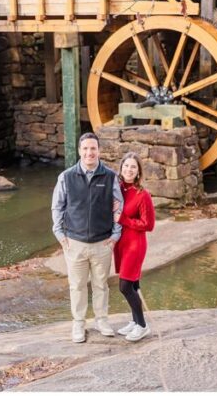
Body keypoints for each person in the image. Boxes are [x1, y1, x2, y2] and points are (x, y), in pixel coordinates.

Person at [51, 132, 123, 343]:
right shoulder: (66, 177)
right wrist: (59, 233)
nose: (89, 152)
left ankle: (102, 320)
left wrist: (116, 234)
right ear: (80, 151)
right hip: (75, 242)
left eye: (93, 148)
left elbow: (118, 207)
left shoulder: (110, 177)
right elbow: (57, 206)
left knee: (101, 284)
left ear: (98, 151)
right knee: (77, 285)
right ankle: (79, 324)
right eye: (85, 149)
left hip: (102, 242)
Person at [113, 152, 156, 342]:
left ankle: (142, 325)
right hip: (120, 244)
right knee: (133, 284)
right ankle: (134, 321)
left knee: (124, 286)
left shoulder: (142, 194)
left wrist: (124, 219)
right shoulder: (118, 189)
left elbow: (149, 224)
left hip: (134, 244)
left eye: (133, 167)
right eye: (126, 166)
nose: (129, 170)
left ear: (138, 172)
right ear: (121, 169)